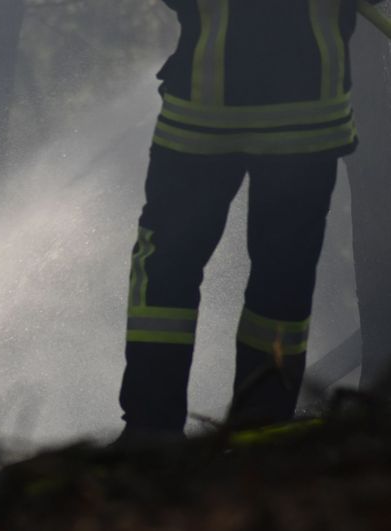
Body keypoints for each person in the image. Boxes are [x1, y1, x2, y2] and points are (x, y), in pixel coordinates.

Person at [119, 0, 388, 438]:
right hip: (307, 113)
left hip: (204, 110)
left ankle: (151, 430)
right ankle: (261, 425)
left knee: (166, 271)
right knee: (283, 281)